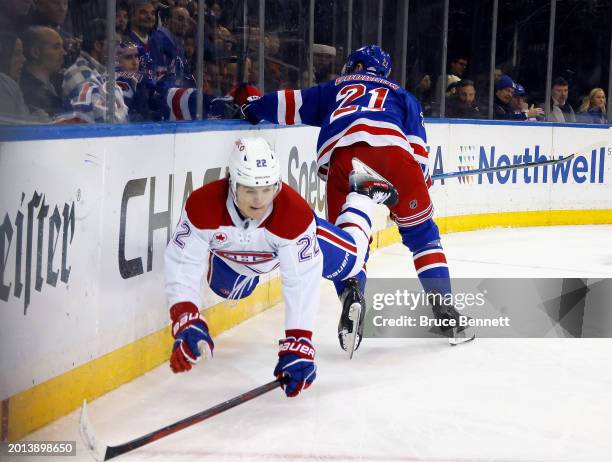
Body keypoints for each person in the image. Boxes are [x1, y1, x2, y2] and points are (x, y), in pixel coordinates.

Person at [243, 45, 474, 349]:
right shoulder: (403, 96)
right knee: (423, 236)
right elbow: (419, 154)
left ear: (357, 65)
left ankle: (352, 291)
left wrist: (253, 106)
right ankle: (445, 310)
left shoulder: (334, 88)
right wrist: (403, 199)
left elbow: (289, 103)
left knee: (347, 242)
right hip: (395, 157)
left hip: (345, 161)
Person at [165, 137, 398, 397]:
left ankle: (361, 195)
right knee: (228, 289)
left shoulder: (293, 215)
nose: (259, 200)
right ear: (232, 184)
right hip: (239, 259)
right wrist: (185, 316)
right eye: (249, 189)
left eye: (267, 189)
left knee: (352, 260)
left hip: (287, 245)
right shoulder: (203, 206)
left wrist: (299, 341)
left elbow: (300, 281)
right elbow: (183, 262)